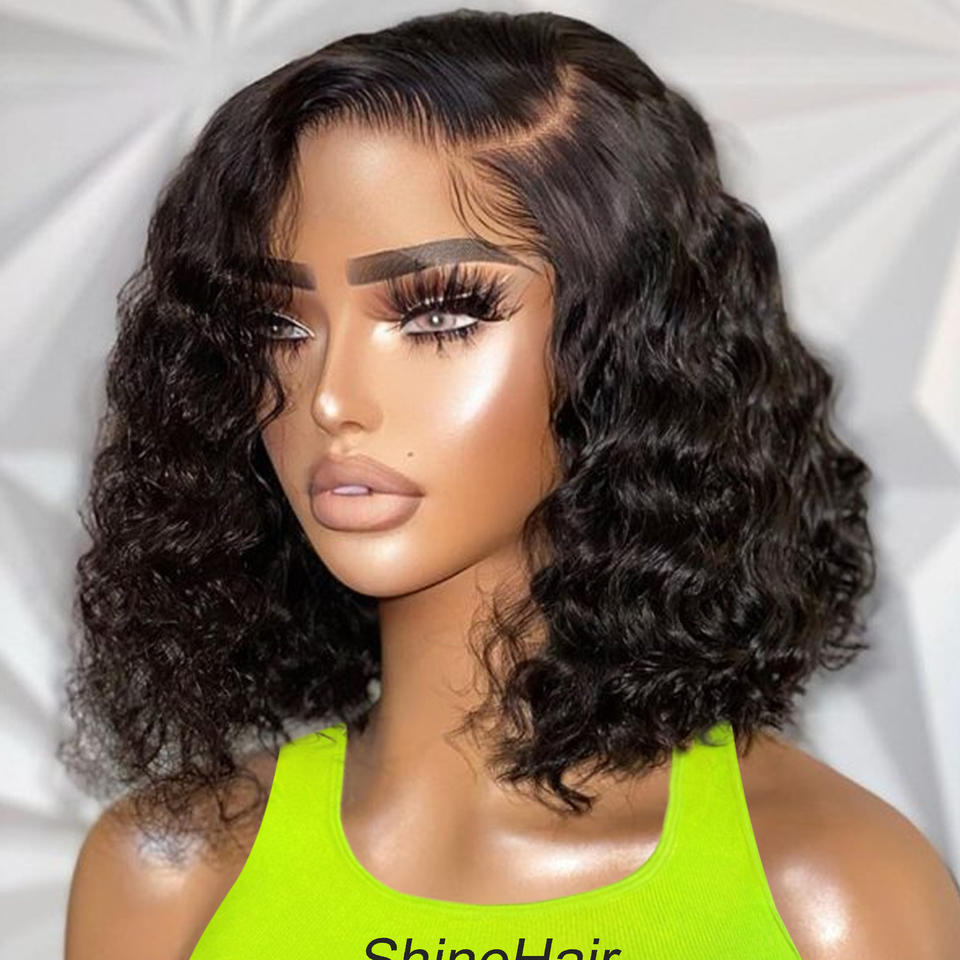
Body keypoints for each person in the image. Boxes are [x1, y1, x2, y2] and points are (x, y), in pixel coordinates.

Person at [61, 9, 960, 959]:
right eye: (278, 325)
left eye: (440, 314)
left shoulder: (830, 893)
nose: (331, 398)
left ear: (624, 346)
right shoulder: (168, 879)